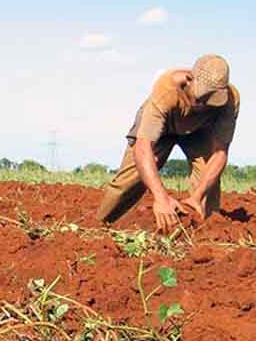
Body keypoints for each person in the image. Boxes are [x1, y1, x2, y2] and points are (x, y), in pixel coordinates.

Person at [96, 55, 240, 232]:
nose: (204, 105)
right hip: (162, 128)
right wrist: (161, 198)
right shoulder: (166, 89)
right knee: (131, 176)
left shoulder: (230, 102)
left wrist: (196, 196)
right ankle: (99, 226)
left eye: (211, 100)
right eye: (201, 99)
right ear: (189, 80)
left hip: (199, 131)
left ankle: (206, 233)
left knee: (207, 178)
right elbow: (143, 147)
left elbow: (220, 153)